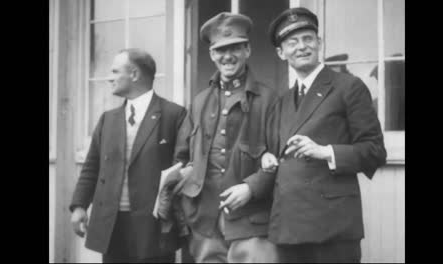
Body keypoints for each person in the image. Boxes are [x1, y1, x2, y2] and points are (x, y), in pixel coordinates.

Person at [261, 7, 387, 263]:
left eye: (308, 39)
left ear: (319, 43)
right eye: (292, 42)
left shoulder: (348, 87)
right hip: (288, 228)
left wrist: (325, 152)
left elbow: (375, 151)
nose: (301, 47)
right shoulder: (282, 101)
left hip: (332, 230)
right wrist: (266, 156)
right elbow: (276, 150)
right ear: (281, 52)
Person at [173, 12, 280, 263]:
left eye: (235, 48)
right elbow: (182, 157)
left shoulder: (269, 100)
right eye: (220, 50)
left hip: (253, 220)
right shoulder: (199, 102)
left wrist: (252, 188)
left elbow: (281, 159)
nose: (228, 56)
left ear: (247, 50)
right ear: (212, 54)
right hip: (205, 223)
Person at [69, 48, 186, 263]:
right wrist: (79, 206)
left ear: (134, 74)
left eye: (115, 71)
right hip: (112, 225)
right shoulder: (108, 119)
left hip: (153, 227)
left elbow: (183, 167)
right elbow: (91, 167)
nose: (109, 78)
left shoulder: (174, 115)